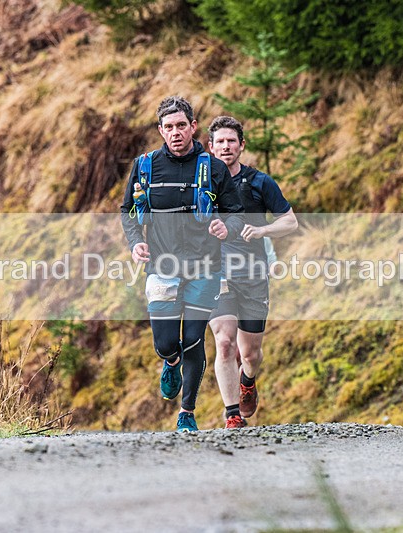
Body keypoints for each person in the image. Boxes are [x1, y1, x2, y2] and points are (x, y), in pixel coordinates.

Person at [121, 96, 244, 433]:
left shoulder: (214, 168)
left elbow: (235, 213)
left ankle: (186, 412)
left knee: (193, 340)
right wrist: (136, 243)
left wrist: (226, 226)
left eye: (181, 126)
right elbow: (126, 212)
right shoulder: (145, 166)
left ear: (193, 127)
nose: (175, 133)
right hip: (161, 267)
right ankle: (170, 362)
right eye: (168, 127)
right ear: (161, 131)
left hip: (205, 267)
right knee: (165, 343)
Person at [207, 116, 298, 429]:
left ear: (241, 145)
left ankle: (247, 380)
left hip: (253, 275)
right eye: (220, 141)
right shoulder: (201, 186)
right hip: (216, 274)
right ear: (210, 147)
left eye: (232, 141)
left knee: (251, 353)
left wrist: (262, 231)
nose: (226, 146)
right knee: (224, 343)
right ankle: (232, 415)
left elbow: (291, 221)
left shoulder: (260, 182)